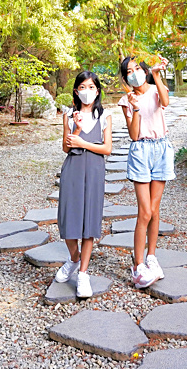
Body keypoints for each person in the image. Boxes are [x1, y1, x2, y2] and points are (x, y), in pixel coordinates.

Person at [54, 70, 112, 298]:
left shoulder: (104, 115)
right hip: (73, 168)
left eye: (91, 87)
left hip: (95, 169)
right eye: (82, 87)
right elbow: (66, 148)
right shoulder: (68, 115)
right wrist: (76, 129)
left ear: (97, 91)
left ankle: (83, 274)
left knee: (90, 222)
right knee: (68, 218)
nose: (87, 91)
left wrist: (83, 143)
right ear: (76, 90)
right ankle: (74, 258)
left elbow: (107, 149)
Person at [118, 55, 173, 288]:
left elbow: (166, 101)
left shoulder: (155, 88)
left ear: (143, 69)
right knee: (145, 211)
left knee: (155, 209)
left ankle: (152, 257)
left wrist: (157, 74)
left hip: (161, 148)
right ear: (125, 77)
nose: (134, 73)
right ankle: (138, 265)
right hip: (140, 151)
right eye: (128, 71)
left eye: (136, 68)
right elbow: (133, 134)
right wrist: (135, 107)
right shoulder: (126, 100)